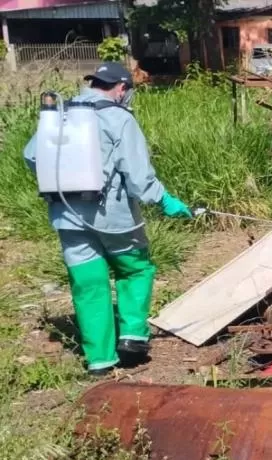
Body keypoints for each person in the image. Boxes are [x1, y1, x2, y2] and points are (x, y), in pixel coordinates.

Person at [22, 62, 193, 376]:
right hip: (113, 216)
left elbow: (32, 156)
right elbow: (139, 179)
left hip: (66, 216)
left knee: (88, 284)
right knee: (136, 269)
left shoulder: (60, 114)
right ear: (122, 88)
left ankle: (100, 361)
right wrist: (165, 200)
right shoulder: (119, 118)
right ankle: (132, 339)